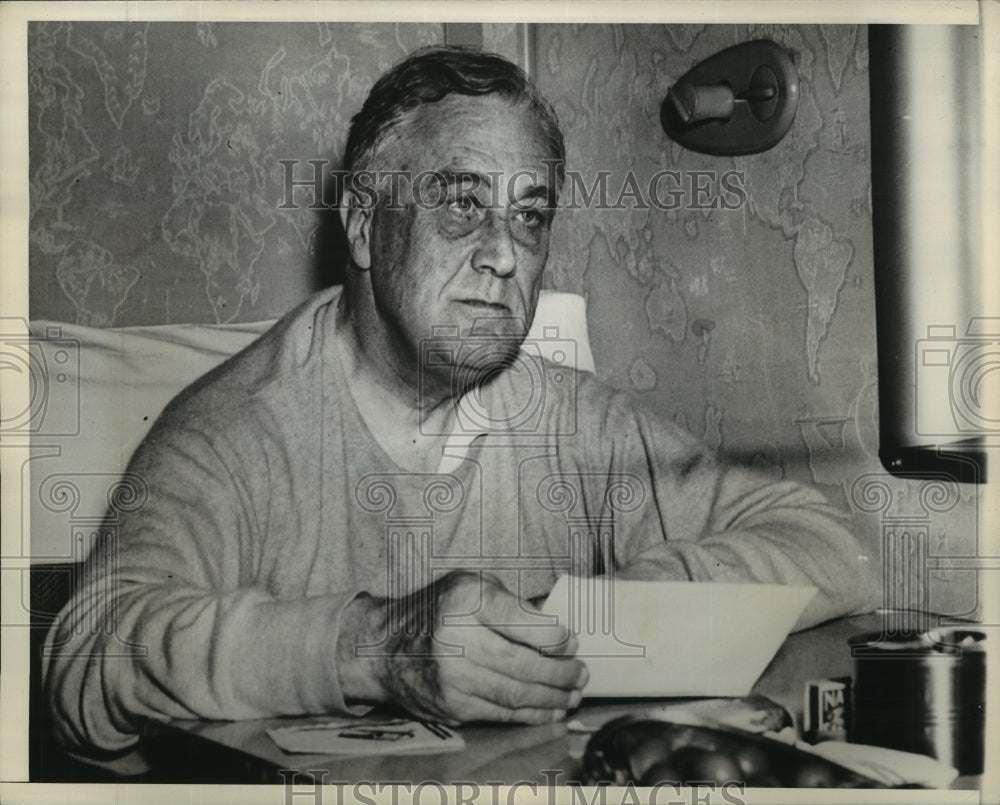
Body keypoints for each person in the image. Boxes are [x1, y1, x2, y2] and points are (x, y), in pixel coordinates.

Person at [43, 45, 877, 774]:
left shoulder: (569, 418)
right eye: (461, 204)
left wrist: (616, 610)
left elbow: (834, 546)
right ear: (366, 224)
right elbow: (84, 663)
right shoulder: (236, 432)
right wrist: (370, 648)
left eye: (529, 214)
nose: (506, 252)